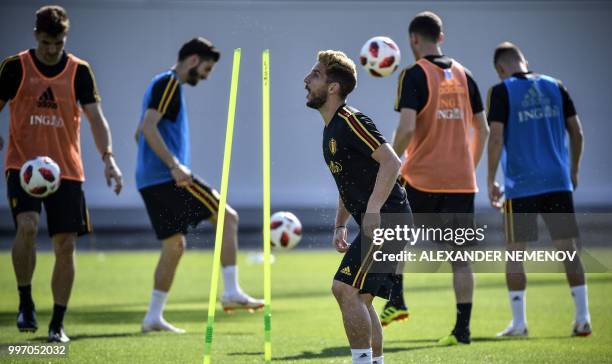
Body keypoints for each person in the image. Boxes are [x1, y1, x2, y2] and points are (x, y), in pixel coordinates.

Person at [0, 5, 123, 343]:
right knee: (27, 225)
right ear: (35, 36)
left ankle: (57, 324)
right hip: (23, 167)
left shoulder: (79, 71)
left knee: (65, 245)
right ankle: (25, 302)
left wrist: (108, 158)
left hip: (67, 172)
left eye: (58, 42)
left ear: (65, 38)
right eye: (45, 42)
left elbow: (96, 119)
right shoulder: (14, 67)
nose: (52, 49)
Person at [135, 37, 263, 334]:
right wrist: (174, 165)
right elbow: (147, 128)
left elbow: (139, 131)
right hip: (167, 178)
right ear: (193, 60)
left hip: (148, 181)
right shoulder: (169, 83)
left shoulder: (159, 84)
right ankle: (231, 290)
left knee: (174, 246)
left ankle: (153, 317)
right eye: (206, 68)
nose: (206, 76)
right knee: (228, 218)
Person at [387, 11, 489, 345]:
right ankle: (463, 330)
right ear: (440, 37)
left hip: (421, 177)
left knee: (394, 233)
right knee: (461, 259)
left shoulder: (413, 74)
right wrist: (468, 166)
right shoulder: (466, 75)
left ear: (413, 39)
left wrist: (390, 159)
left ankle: (397, 301)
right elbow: (483, 130)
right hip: (461, 180)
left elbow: (406, 128)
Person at [304, 49, 411, 364]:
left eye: (315, 76)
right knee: (360, 298)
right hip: (384, 220)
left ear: (333, 87)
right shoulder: (330, 131)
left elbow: (392, 162)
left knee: (344, 289)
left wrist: (375, 210)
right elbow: (347, 185)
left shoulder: (351, 120)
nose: (306, 81)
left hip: (389, 220)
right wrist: (340, 224)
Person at [487, 42, 591, 337]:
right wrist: (573, 169)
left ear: (500, 69)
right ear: (524, 61)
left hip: (521, 185)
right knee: (568, 250)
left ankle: (519, 323)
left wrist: (490, 179)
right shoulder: (555, 85)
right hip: (557, 181)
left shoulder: (502, 90)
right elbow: (577, 131)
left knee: (515, 253)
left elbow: (495, 138)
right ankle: (583, 318)